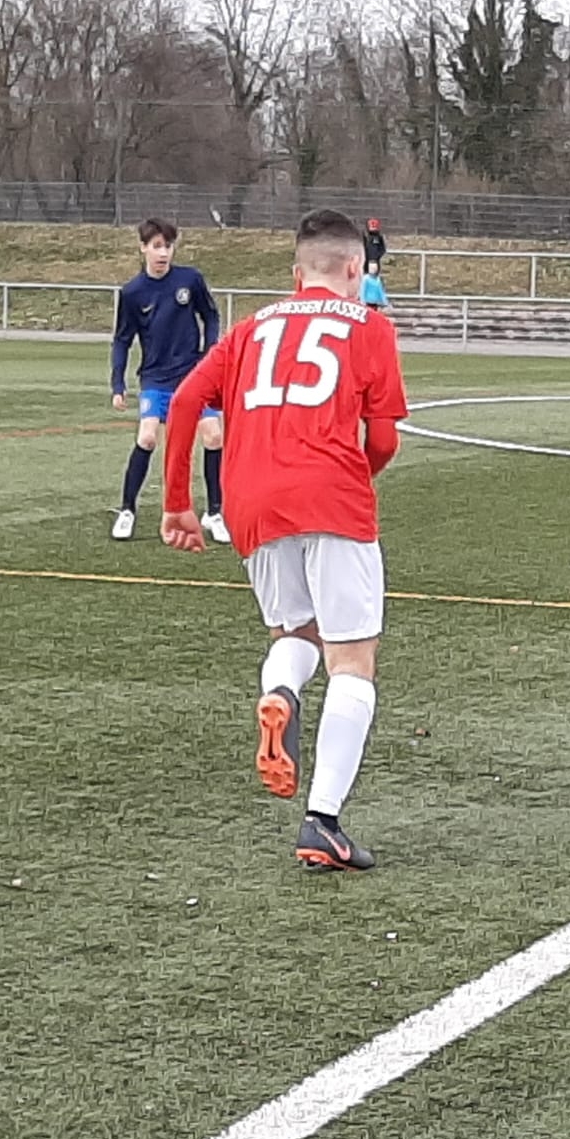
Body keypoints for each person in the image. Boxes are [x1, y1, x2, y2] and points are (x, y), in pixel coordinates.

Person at [160, 208, 409, 871]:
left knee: (295, 635)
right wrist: (352, 477)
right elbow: (384, 439)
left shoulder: (250, 327)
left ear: (297, 274)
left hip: (252, 501)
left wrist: (179, 504)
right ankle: (322, 821)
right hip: (331, 496)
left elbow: (184, 402)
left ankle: (283, 694)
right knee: (352, 662)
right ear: (355, 268)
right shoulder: (371, 326)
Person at [108, 217, 225, 542]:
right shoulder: (132, 292)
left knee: (214, 436)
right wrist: (118, 384)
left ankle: (214, 512)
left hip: (193, 376)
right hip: (156, 378)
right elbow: (122, 340)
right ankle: (127, 510)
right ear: (143, 248)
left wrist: (209, 352)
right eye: (156, 246)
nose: (163, 253)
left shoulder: (190, 280)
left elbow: (210, 315)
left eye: (168, 246)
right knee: (147, 438)